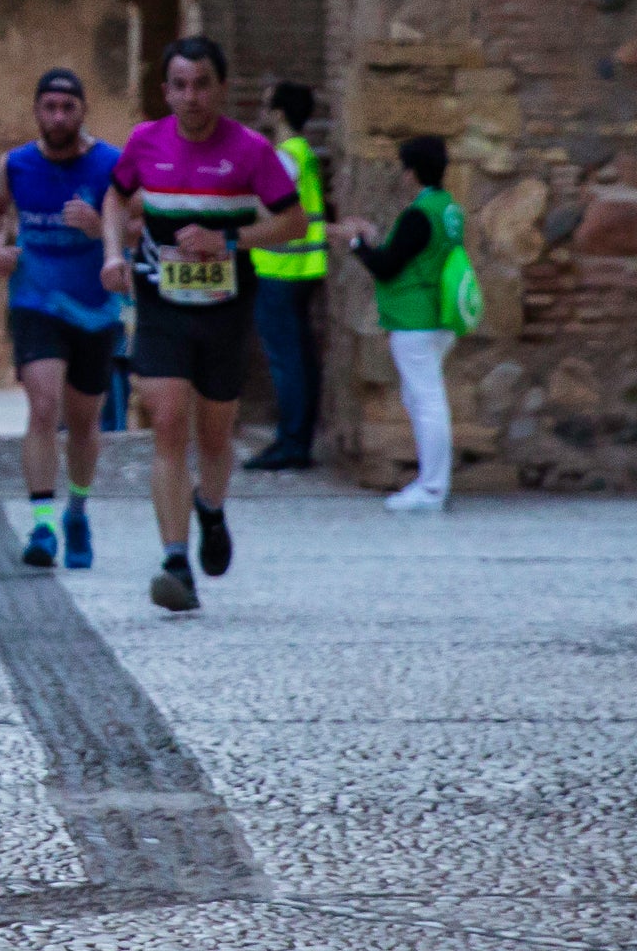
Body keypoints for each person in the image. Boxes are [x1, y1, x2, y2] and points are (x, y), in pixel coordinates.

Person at [103, 39, 310, 614]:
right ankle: (175, 559)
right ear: (166, 90)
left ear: (220, 88)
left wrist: (230, 240)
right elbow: (114, 200)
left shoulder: (249, 150)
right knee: (168, 423)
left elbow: (293, 220)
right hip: (162, 302)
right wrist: (112, 254)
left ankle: (211, 511)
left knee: (216, 434)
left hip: (225, 308)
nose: (190, 96)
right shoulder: (146, 141)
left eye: (201, 84)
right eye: (179, 85)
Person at [0, 69, 120, 569]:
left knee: (84, 419)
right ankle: (41, 523)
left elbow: (140, 217)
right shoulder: (16, 164)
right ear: (37, 112)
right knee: (43, 406)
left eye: (68, 107)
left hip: (94, 306)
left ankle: (77, 511)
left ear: (83, 110)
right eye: (50, 107)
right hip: (35, 300)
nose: (59, 116)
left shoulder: (110, 163)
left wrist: (101, 226)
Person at [347, 133, 474, 514]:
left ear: (412, 173)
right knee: (421, 398)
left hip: (414, 318)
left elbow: (387, 266)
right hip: (439, 315)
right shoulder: (448, 209)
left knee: (427, 401)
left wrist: (357, 244)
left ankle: (433, 488)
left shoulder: (418, 214)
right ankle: (430, 482)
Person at [242, 80, 332, 473]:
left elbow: (266, 208)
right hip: (301, 268)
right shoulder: (302, 153)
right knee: (298, 357)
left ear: (278, 113)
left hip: (282, 270)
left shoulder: (286, 157)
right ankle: (296, 438)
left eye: (266, 106)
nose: (262, 112)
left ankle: (292, 442)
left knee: (287, 360)